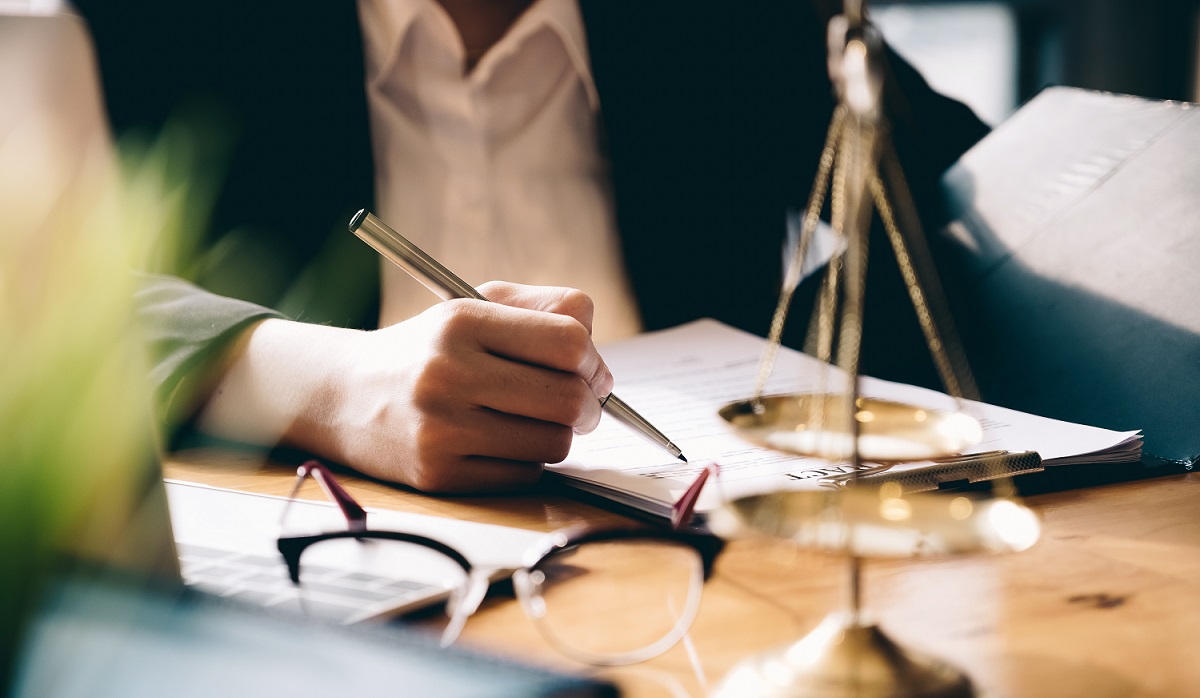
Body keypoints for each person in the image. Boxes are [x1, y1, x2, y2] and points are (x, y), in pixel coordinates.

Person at [76, 0, 988, 493]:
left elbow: (974, 197)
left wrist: (813, 358)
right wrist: (319, 381)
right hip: (336, 580)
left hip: (695, 561)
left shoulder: (730, 20)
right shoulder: (156, 25)